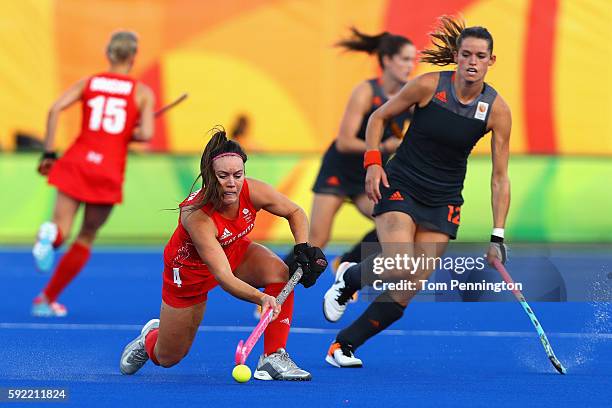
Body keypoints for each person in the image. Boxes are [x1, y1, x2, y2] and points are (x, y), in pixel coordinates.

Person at [323, 16, 511, 367]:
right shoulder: (428, 86)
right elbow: (378, 117)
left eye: (480, 56)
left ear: (491, 61)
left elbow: (500, 178)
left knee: (409, 286)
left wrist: (497, 235)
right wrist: (374, 162)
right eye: (466, 54)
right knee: (399, 264)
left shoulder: (497, 111)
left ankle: (342, 346)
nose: (472, 62)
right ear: (456, 56)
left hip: (444, 200)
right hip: (402, 184)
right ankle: (348, 278)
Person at [119, 129, 327, 381]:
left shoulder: (252, 191)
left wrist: (302, 247)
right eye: (223, 176)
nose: (232, 183)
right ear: (210, 176)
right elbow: (224, 277)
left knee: (279, 272)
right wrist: (262, 298)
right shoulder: (197, 216)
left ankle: (273, 357)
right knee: (169, 357)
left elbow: (295, 211)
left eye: (238, 175)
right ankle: (149, 338)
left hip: (233, 250)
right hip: (189, 273)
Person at [31, 31, 156, 317]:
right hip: (107, 170)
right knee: (86, 236)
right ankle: (46, 300)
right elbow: (146, 133)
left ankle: (49, 236)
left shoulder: (90, 82)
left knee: (59, 228)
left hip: (77, 160)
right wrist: (130, 132)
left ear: (108, 53)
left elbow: (55, 109)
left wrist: (49, 154)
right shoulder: (142, 93)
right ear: (133, 57)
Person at [288, 27, 416, 277]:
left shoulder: (409, 94)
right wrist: (384, 148)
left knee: (394, 222)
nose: (411, 65)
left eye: (413, 59)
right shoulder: (366, 91)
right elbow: (345, 142)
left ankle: (346, 262)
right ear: (387, 60)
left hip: (368, 175)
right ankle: (276, 283)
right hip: (339, 169)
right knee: (316, 240)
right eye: (405, 59)